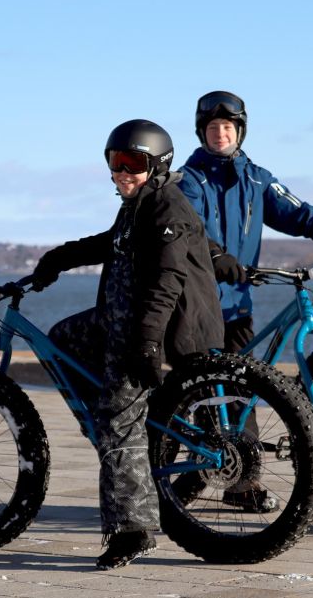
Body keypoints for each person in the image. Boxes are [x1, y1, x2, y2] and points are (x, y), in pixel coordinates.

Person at [178, 90, 313, 513]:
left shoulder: (257, 179)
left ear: (240, 131)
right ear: (202, 132)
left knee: (243, 389)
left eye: (228, 127)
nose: (221, 134)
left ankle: (237, 481)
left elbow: (302, 213)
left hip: (236, 304)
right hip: (196, 305)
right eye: (213, 128)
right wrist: (216, 257)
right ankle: (201, 474)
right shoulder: (188, 180)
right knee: (206, 393)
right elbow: (188, 227)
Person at [31, 119, 224, 570]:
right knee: (62, 338)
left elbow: (166, 281)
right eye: (114, 163)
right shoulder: (137, 206)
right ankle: (118, 426)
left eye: (132, 163)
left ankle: (133, 530)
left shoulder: (167, 208)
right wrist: (60, 257)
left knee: (119, 420)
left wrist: (147, 345)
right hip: (121, 322)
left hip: (157, 329)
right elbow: (112, 244)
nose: (121, 173)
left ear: (157, 165)